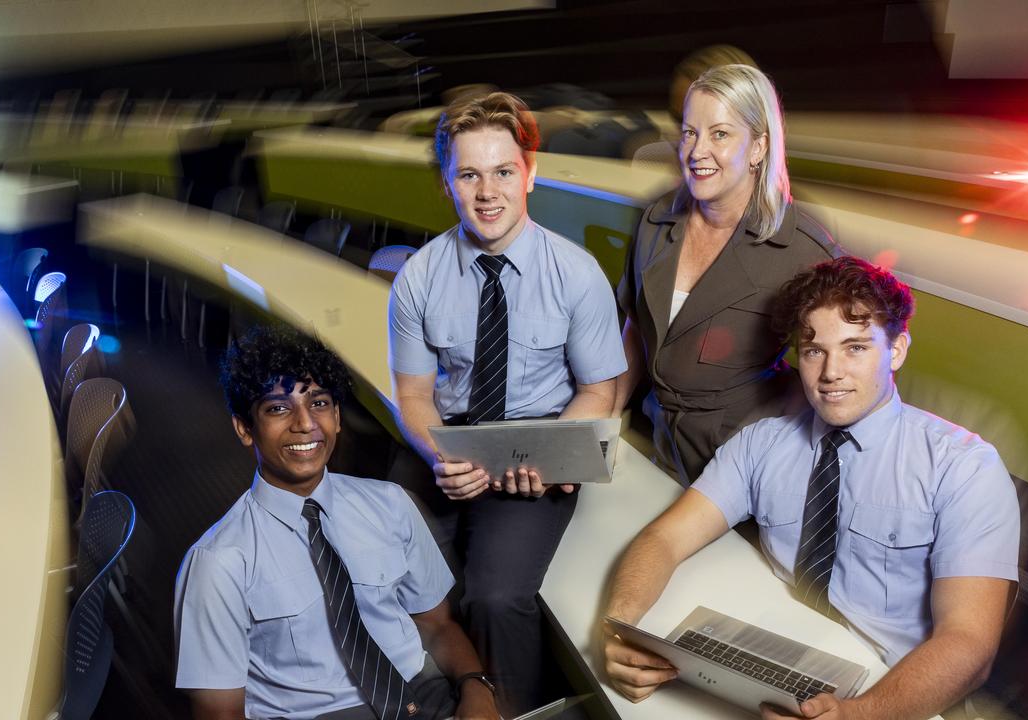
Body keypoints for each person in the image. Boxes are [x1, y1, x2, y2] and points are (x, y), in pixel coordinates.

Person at [603, 257, 1020, 720]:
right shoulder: (762, 444)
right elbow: (664, 539)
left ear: (897, 350)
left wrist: (856, 715)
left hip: (895, 687)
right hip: (785, 663)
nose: (831, 373)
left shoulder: (963, 466)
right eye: (814, 350)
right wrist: (622, 629)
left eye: (856, 348)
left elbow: (969, 644)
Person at [388, 91, 626, 715]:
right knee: (384, 558)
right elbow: (412, 394)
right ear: (447, 183)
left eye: (502, 171)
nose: (487, 192)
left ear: (530, 175)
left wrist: (550, 455)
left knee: (495, 597)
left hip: (537, 441)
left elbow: (602, 390)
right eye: (469, 174)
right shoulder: (419, 277)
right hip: (453, 437)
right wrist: (440, 453)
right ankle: (425, 694)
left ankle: (513, 707)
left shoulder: (577, 274)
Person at [174, 325, 498, 720]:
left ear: (338, 416)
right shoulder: (218, 561)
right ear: (245, 428)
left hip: (421, 695)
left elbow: (437, 624)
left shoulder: (390, 504)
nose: (305, 423)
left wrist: (475, 687)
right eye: (277, 408)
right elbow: (219, 714)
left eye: (320, 403)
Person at [616, 63, 843, 485]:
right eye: (689, 132)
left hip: (747, 463)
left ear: (758, 147)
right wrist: (605, 420)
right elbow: (634, 329)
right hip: (661, 445)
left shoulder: (805, 250)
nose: (697, 150)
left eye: (720, 133)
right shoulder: (655, 221)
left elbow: (846, 363)